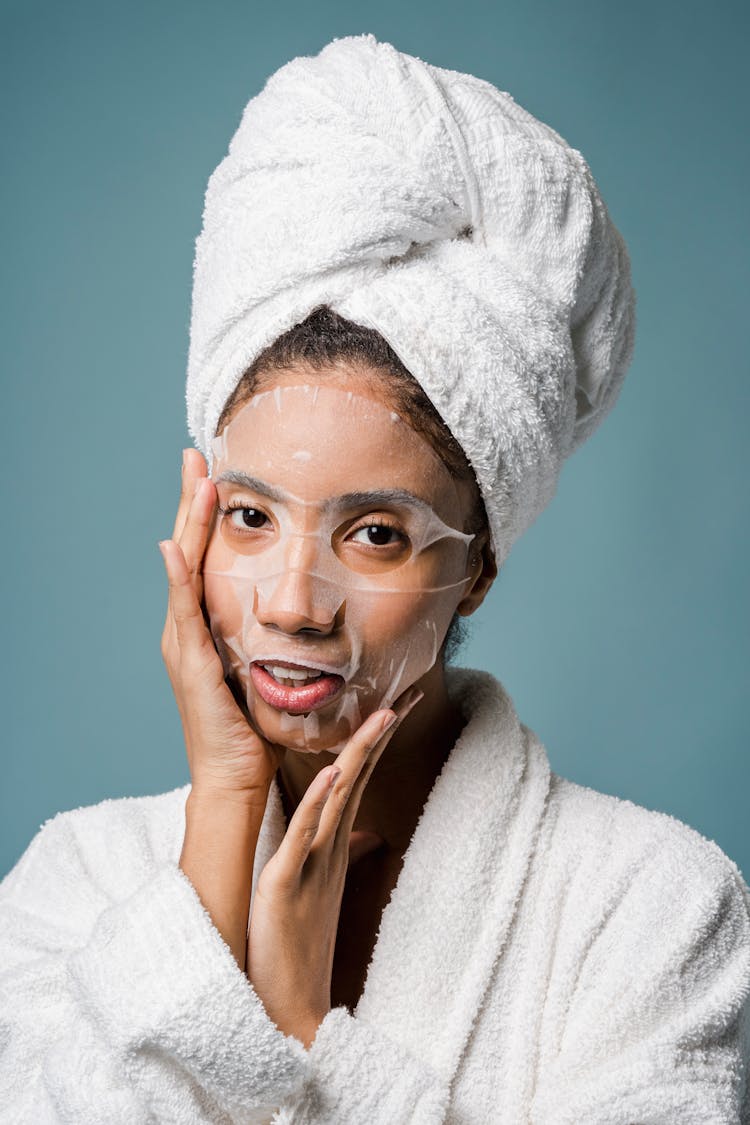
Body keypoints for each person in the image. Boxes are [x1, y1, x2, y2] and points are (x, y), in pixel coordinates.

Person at [1, 33, 749, 1125]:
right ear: (196, 517)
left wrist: (309, 1043)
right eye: (250, 518)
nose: (294, 602)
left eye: (378, 536)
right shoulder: (74, 884)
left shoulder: (649, 909)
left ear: (478, 566)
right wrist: (218, 830)